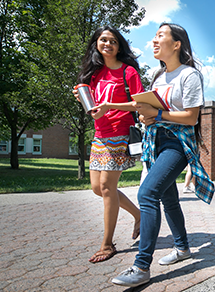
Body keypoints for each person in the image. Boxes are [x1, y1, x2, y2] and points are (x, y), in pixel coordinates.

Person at [112, 23, 215, 287]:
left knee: (146, 193)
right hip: (155, 142)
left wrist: (157, 114)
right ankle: (183, 248)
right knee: (168, 198)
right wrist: (141, 113)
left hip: (177, 144)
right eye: (154, 36)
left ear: (177, 43)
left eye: (160, 36)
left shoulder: (189, 75)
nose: (154, 41)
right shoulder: (158, 76)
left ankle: (141, 266)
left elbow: (191, 118)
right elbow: (144, 106)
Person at [72, 26, 142, 263]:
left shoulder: (128, 72)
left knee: (106, 186)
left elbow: (139, 104)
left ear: (119, 46)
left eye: (113, 41)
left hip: (120, 134)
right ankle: (138, 215)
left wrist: (110, 106)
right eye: (103, 40)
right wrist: (83, 98)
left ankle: (107, 244)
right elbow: (94, 110)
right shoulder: (93, 74)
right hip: (99, 135)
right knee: (97, 188)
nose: (107, 44)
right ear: (97, 44)